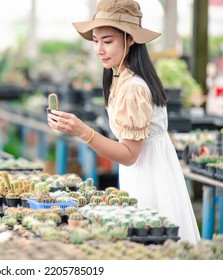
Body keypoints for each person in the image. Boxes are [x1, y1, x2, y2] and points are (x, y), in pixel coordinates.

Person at [47, 0, 200, 244]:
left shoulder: (135, 88)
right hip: (144, 173)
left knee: (152, 247)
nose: (99, 49)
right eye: (95, 40)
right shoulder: (119, 75)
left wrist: (83, 131)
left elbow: (130, 155)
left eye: (107, 41)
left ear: (130, 40)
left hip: (151, 178)